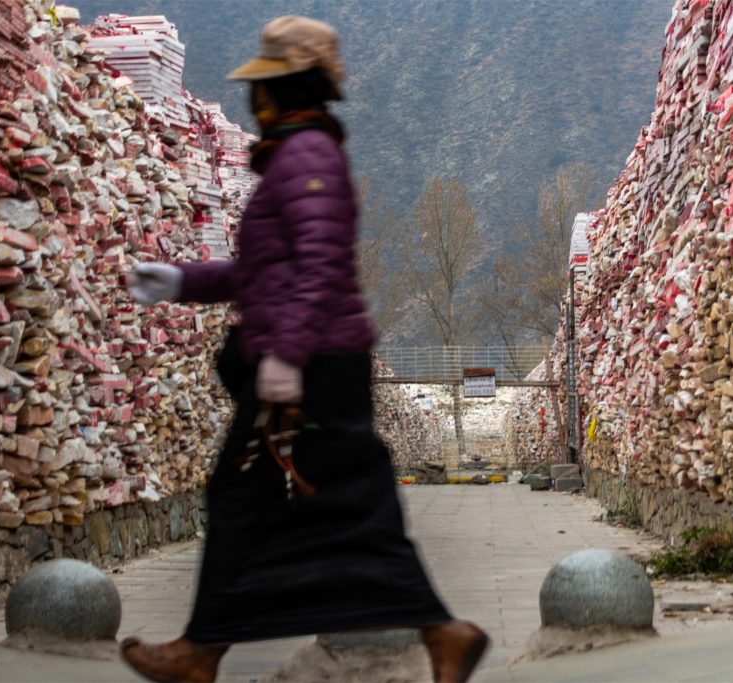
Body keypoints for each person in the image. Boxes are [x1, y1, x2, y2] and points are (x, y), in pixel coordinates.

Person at [122, 16, 489, 683]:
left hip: (313, 370)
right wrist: (180, 280)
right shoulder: (296, 157)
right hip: (318, 362)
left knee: (245, 498)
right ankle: (442, 634)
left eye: (264, 88)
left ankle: (203, 650)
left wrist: (287, 356)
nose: (253, 102)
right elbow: (264, 273)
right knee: (351, 509)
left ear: (290, 86)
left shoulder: (306, 158)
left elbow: (320, 267)